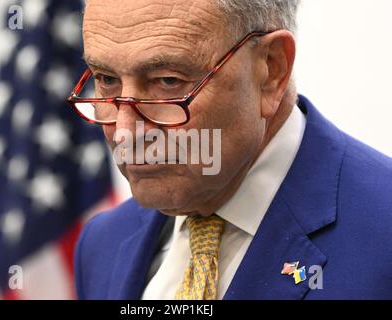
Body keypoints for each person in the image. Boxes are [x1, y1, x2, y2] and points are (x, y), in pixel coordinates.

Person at [71, 0, 392, 300]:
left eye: (167, 81)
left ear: (272, 69)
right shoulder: (101, 246)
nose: (125, 133)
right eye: (106, 79)